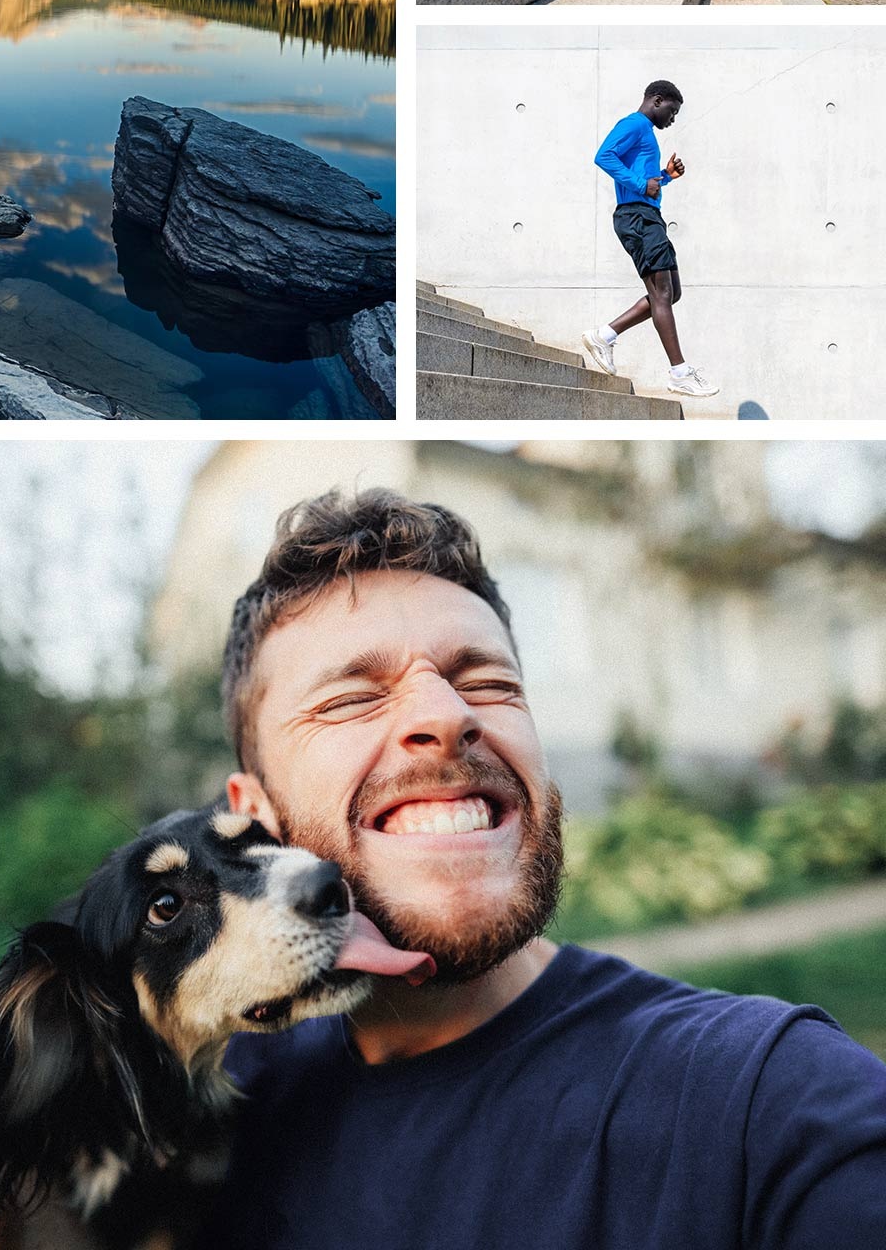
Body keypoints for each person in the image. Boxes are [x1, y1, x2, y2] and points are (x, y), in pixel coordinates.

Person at [194, 489, 886, 1249]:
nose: (449, 715)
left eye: (488, 684)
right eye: (353, 698)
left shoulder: (766, 1105)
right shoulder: (208, 1105)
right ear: (253, 818)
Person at [583, 79, 717, 399]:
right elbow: (604, 156)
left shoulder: (645, 133)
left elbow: (644, 180)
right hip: (637, 217)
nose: (673, 119)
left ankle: (605, 335)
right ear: (657, 101)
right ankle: (679, 372)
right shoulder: (635, 124)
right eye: (672, 111)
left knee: (671, 294)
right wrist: (644, 185)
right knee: (662, 294)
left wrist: (665, 176)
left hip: (646, 215)